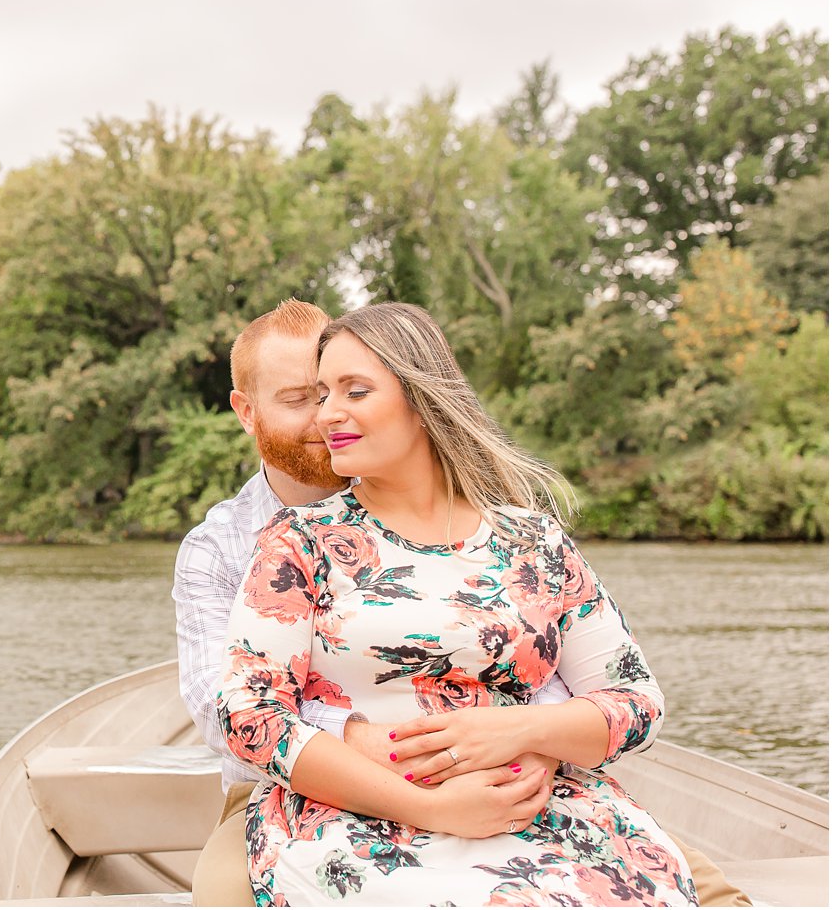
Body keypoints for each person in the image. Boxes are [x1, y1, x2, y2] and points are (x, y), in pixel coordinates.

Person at [177, 299, 744, 906]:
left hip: (527, 784)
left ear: (423, 401)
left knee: (690, 893)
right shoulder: (277, 543)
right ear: (247, 411)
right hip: (331, 797)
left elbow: (625, 697)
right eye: (311, 396)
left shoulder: (530, 539)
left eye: (352, 391)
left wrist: (519, 737)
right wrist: (415, 771)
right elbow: (240, 715)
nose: (325, 415)